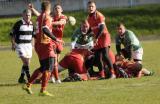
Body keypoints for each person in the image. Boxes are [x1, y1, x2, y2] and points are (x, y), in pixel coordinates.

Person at [23, 1, 61, 96]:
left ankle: (28, 85)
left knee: (43, 67)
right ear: (49, 8)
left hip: (39, 45)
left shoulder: (39, 17)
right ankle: (43, 90)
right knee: (49, 67)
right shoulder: (47, 17)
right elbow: (45, 29)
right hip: (46, 45)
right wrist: (56, 39)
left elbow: (38, 31)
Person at [28, 3, 67, 83]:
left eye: (59, 8)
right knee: (53, 61)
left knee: (54, 62)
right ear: (52, 10)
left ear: (62, 10)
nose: (57, 9)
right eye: (55, 8)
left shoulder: (63, 17)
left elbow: (60, 23)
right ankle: (54, 79)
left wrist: (48, 22)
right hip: (50, 40)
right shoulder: (49, 17)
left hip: (58, 40)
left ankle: (49, 77)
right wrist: (33, 9)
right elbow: (41, 15)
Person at [87, 1, 116, 79]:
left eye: (92, 6)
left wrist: (96, 38)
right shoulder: (89, 17)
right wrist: (86, 34)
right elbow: (91, 27)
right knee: (97, 57)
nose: (91, 8)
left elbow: (102, 28)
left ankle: (112, 73)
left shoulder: (99, 15)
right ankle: (102, 74)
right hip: (97, 37)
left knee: (105, 55)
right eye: (89, 6)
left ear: (95, 7)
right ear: (87, 8)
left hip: (104, 36)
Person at [10, 9, 35, 83]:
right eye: (26, 15)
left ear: (31, 16)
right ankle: (29, 78)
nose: (28, 16)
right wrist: (13, 43)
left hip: (28, 46)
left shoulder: (31, 24)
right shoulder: (18, 23)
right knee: (26, 62)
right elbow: (12, 34)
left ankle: (21, 78)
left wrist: (33, 45)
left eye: (29, 15)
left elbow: (33, 36)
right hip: (20, 45)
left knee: (27, 63)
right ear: (23, 15)